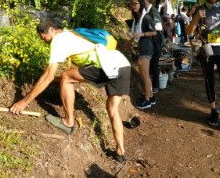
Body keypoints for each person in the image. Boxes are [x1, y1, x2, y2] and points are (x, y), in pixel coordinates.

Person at [10, 19, 130, 163]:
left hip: (105, 66)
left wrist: (24, 102)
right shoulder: (70, 34)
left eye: (44, 37)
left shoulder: (58, 40)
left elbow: (49, 75)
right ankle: (120, 152)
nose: (44, 41)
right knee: (113, 110)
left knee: (66, 77)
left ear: (51, 30)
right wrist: (58, 80)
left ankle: (68, 121)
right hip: (122, 65)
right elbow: (71, 70)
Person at [186, 0, 220, 129]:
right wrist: (196, 18)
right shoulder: (200, 8)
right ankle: (213, 110)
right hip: (206, 49)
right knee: (209, 81)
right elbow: (189, 32)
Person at [130, 0, 158, 109]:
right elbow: (135, 33)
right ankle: (150, 96)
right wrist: (129, 41)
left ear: (141, 4)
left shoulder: (146, 17)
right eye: (131, 4)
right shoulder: (137, 19)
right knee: (143, 74)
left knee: (145, 74)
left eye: (135, 4)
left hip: (147, 47)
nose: (133, 6)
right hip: (142, 46)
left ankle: (147, 100)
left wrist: (142, 34)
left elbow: (154, 32)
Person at [138, 0, 164, 93]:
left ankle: (156, 86)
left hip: (157, 41)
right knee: (151, 64)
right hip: (151, 41)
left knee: (154, 64)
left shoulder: (153, 12)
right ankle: (151, 86)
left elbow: (158, 27)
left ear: (145, 0)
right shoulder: (146, 11)